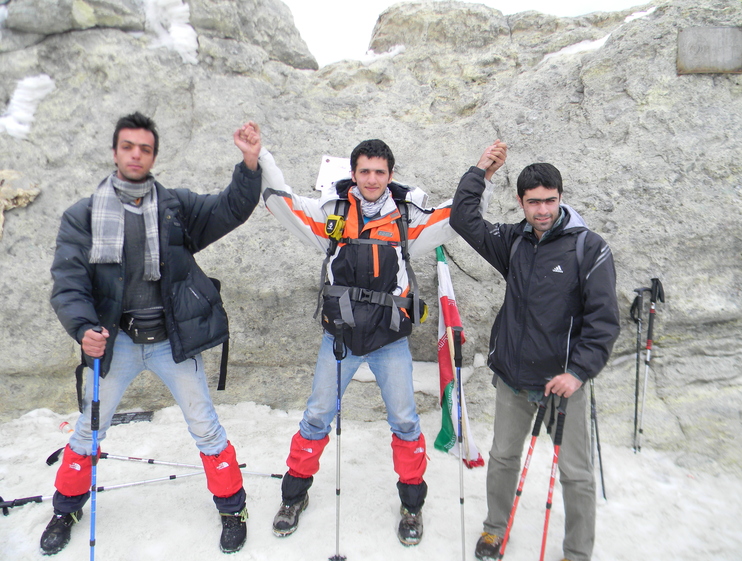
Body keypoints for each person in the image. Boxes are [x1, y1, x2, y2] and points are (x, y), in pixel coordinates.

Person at [257, 138, 498, 546]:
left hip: (389, 339)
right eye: (364, 171)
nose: (371, 179)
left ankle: (411, 505)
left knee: (405, 421)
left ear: (390, 175)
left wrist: (482, 176)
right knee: (316, 417)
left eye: (379, 172)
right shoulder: (330, 215)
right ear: (353, 173)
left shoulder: (406, 219)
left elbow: (456, 215)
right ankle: (293, 497)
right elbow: (282, 202)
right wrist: (261, 157)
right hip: (341, 339)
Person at [42, 112, 263, 556]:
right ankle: (66, 508)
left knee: (206, 427)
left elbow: (230, 208)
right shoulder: (83, 216)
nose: (136, 154)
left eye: (144, 148)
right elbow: (69, 283)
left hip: (170, 342)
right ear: (115, 152)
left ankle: (232, 508)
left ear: (153, 155)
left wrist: (250, 164)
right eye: (128, 146)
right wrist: (84, 328)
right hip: (116, 343)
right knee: (89, 430)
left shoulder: (175, 208)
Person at [449, 142, 619, 561]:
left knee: (575, 474)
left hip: (564, 383)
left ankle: (577, 552)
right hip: (512, 377)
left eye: (550, 200)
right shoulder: (512, 241)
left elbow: (603, 323)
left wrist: (578, 372)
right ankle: (494, 531)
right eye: (533, 202)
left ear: (561, 198)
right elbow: (463, 218)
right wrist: (482, 170)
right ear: (521, 202)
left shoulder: (589, 249)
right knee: (503, 457)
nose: (542, 210)